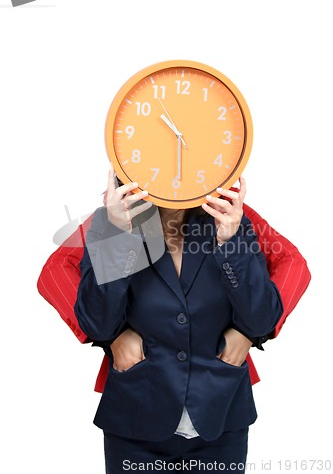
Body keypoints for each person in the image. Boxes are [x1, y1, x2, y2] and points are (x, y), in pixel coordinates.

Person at [37, 168, 311, 473]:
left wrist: (250, 333)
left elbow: (291, 266)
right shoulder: (115, 218)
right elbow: (56, 271)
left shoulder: (232, 214)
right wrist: (112, 338)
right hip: (137, 409)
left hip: (219, 408)